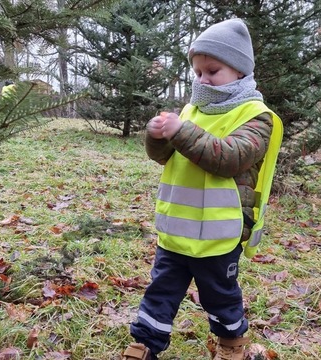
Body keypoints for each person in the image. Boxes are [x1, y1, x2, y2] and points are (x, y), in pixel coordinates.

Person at [122, 18, 283, 360]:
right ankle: (144, 345)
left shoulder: (256, 116)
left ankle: (231, 346)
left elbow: (230, 157)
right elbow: (163, 157)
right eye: (197, 72)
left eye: (213, 71)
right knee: (160, 291)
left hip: (218, 234)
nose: (203, 79)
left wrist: (181, 131)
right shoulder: (192, 109)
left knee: (221, 296)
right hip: (176, 229)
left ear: (239, 71)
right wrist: (156, 136)